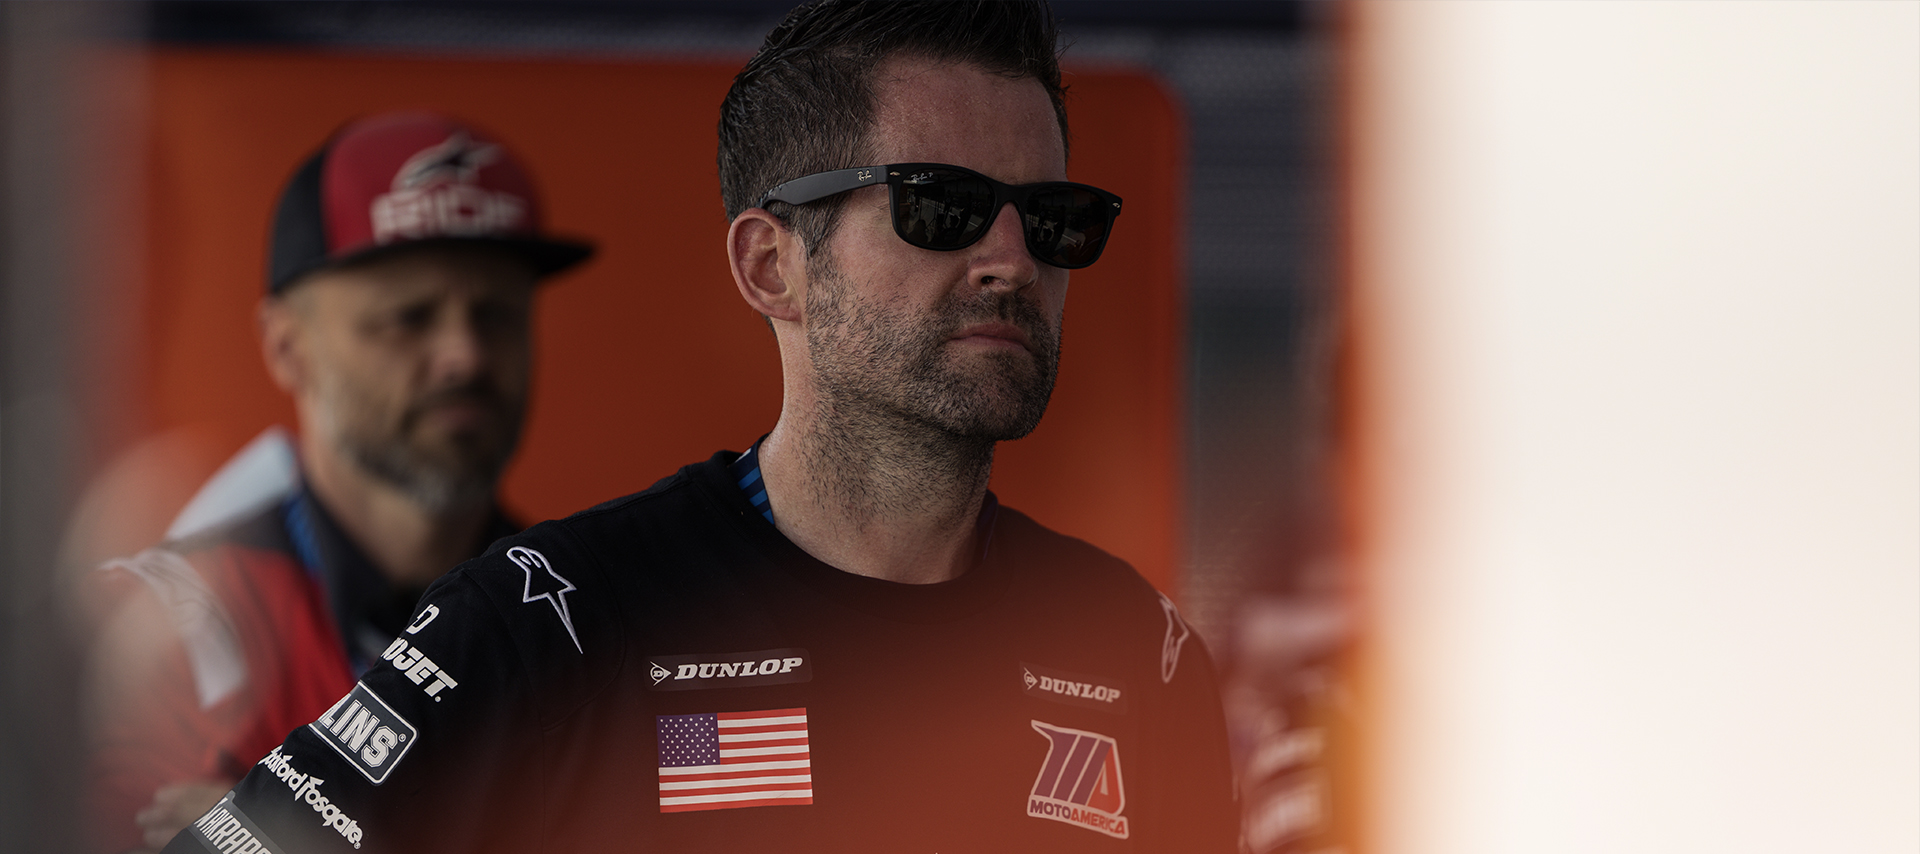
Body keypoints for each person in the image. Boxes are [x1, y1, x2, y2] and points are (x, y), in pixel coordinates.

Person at [161, 2, 1237, 851]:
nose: (1013, 261)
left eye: (1054, 221)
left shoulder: (1139, 652)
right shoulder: (552, 620)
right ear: (773, 266)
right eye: (940, 207)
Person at [87, 111, 594, 853]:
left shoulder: (591, 620)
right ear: (287, 347)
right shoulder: (152, 625)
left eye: (498, 314)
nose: (464, 355)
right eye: (407, 317)